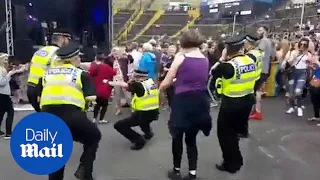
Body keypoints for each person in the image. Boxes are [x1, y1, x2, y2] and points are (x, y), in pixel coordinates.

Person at [36, 42, 101, 180]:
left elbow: (36, 95)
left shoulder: (46, 75)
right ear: (75, 59)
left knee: (57, 152)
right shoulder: (80, 74)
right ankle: (85, 171)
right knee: (94, 136)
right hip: (73, 115)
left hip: (49, 118)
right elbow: (92, 97)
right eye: (79, 58)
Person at [160, 29, 212, 180]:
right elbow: (195, 78)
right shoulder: (204, 58)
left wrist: (160, 89)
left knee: (177, 137)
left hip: (183, 102)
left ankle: (176, 171)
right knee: (191, 139)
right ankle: (192, 173)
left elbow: (166, 82)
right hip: (200, 101)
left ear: (183, 42)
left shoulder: (180, 58)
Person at [211, 34, 256, 173]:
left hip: (231, 104)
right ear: (242, 47)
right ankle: (236, 159)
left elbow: (213, 72)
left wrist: (222, 58)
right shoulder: (251, 59)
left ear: (227, 49)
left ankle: (231, 163)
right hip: (248, 100)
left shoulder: (227, 66)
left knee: (225, 135)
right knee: (235, 132)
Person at [108, 69, 159, 150]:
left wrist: (108, 82)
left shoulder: (138, 85)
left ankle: (139, 140)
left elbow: (124, 85)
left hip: (143, 113)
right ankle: (148, 133)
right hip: (153, 111)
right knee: (144, 122)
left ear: (136, 76)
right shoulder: (150, 82)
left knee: (119, 125)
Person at [27, 28, 72, 112]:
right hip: (43, 90)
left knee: (44, 118)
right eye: (68, 39)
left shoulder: (39, 51)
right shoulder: (58, 54)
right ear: (62, 38)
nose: (68, 42)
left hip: (31, 89)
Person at [242, 33, 263, 137]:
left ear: (248, 43)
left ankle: (243, 130)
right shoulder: (259, 52)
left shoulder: (250, 55)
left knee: (244, 107)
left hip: (250, 81)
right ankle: (244, 129)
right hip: (257, 78)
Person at [0, 53, 25, 139]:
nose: (7, 61)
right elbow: (2, 82)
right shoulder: (1, 70)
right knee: (10, 112)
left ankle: (4, 132)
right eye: (5, 60)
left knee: (2, 113)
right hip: (3, 94)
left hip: (4, 94)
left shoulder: (3, 69)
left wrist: (13, 72)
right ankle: (8, 133)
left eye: (7, 60)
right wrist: (9, 74)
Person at [250, 26, 272, 120]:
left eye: (260, 30)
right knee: (257, 90)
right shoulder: (269, 42)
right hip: (265, 69)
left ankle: (257, 112)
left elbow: (258, 53)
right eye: (257, 30)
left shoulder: (263, 41)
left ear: (265, 32)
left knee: (256, 91)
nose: (258, 32)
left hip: (261, 69)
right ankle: (255, 110)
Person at [89, 50, 116, 124]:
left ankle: (94, 118)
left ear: (96, 59)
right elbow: (114, 73)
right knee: (104, 105)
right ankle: (101, 119)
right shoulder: (106, 67)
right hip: (105, 88)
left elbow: (90, 74)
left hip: (97, 88)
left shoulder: (94, 66)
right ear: (103, 59)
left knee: (97, 105)